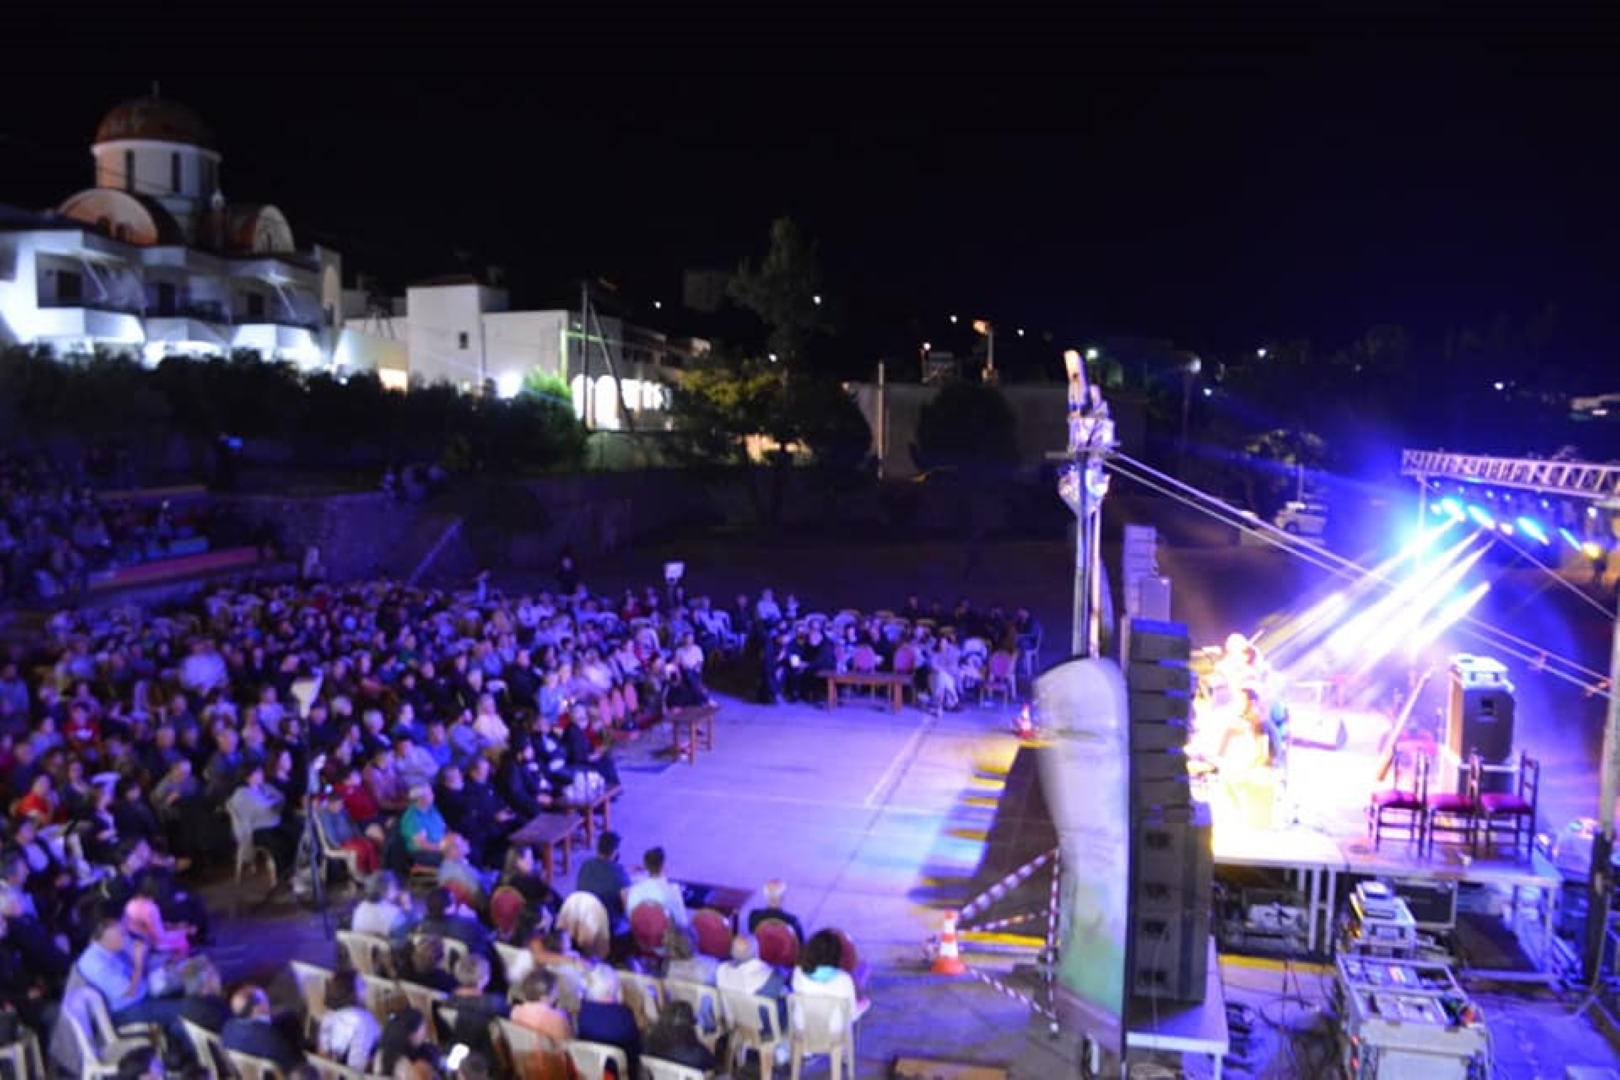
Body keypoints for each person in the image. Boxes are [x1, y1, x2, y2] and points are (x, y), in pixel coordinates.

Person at [74, 916, 187, 1044]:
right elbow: (130, 994)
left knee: (181, 988)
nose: (125, 939)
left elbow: (133, 973)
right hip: (126, 1010)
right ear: (108, 937)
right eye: (122, 935)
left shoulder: (106, 950)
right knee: (186, 1009)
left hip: (137, 998)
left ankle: (178, 1041)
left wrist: (158, 963)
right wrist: (139, 963)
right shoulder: (95, 963)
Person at [222, 983, 307, 1074]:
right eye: (265, 999)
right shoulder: (271, 1036)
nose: (269, 1004)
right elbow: (297, 1065)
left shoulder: (227, 1028)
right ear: (257, 1007)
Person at [575, 964, 640, 1080]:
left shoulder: (583, 1011)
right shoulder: (624, 1015)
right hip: (617, 1075)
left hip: (589, 1073)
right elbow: (635, 1051)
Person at [316, 966, 381, 1071]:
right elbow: (358, 1064)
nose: (366, 987)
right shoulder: (364, 1020)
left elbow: (322, 1056)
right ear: (352, 992)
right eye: (362, 985)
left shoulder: (328, 1017)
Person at [574, 832, 630, 936]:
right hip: (608, 927)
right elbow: (627, 906)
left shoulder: (586, 865)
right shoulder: (619, 876)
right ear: (615, 851)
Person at [643, 998, 716, 1073]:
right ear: (689, 1026)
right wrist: (713, 1048)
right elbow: (712, 1064)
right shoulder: (697, 1054)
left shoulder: (650, 1044)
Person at [624, 846, 689, 931]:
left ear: (645, 866)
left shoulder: (634, 890)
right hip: (665, 937)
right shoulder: (672, 891)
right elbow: (682, 922)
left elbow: (629, 916)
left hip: (638, 936)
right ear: (663, 865)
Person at [509, 967, 572, 1044]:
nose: (558, 994)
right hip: (546, 1051)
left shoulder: (515, 1011)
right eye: (556, 990)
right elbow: (567, 1044)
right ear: (544, 997)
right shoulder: (557, 1019)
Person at [351, 871, 417, 943]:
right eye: (395, 886)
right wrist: (407, 905)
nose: (398, 890)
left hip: (360, 948)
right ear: (389, 888)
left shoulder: (360, 907)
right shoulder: (393, 913)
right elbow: (408, 932)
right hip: (386, 949)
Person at [747, 879, 806, 945]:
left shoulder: (754, 916)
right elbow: (800, 944)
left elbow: (752, 934)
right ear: (783, 897)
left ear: (765, 896)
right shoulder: (792, 921)